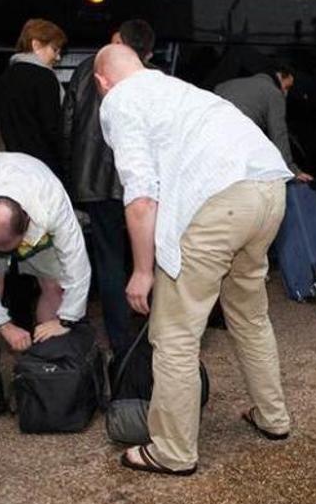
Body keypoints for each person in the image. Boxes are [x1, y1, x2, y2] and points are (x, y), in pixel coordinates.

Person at [95, 44, 293, 475]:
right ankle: (273, 417)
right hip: (269, 191)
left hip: (217, 203)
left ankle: (173, 451)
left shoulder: (120, 100)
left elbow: (141, 197)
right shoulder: (175, 88)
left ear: (101, 83)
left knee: (175, 336)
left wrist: (143, 271)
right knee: (249, 315)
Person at [0, 152, 93, 416]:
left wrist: (66, 319)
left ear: (26, 223)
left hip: (38, 212)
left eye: (10, 247)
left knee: (54, 287)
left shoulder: (51, 202)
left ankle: (46, 367)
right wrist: (4, 327)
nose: (5, 252)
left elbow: (77, 265)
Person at [62, 19, 155, 354]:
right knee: (148, 255)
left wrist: (73, 178)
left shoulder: (86, 70)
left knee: (109, 261)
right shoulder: (149, 78)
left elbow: (69, 128)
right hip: (139, 185)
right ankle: (151, 333)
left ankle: (120, 340)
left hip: (96, 184)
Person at [0, 18, 67, 179]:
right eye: (54, 50)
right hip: (41, 168)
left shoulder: (3, 78)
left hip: (8, 169)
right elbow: (52, 129)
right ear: (36, 45)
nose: (58, 57)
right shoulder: (45, 78)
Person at [214, 66, 314, 181]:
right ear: (282, 76)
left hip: (210, 139)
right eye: (287, 87)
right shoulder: (274, 93)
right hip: (236, 145)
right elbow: (278, 134)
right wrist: (293, 170)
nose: (286, 93)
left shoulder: (226, 85)